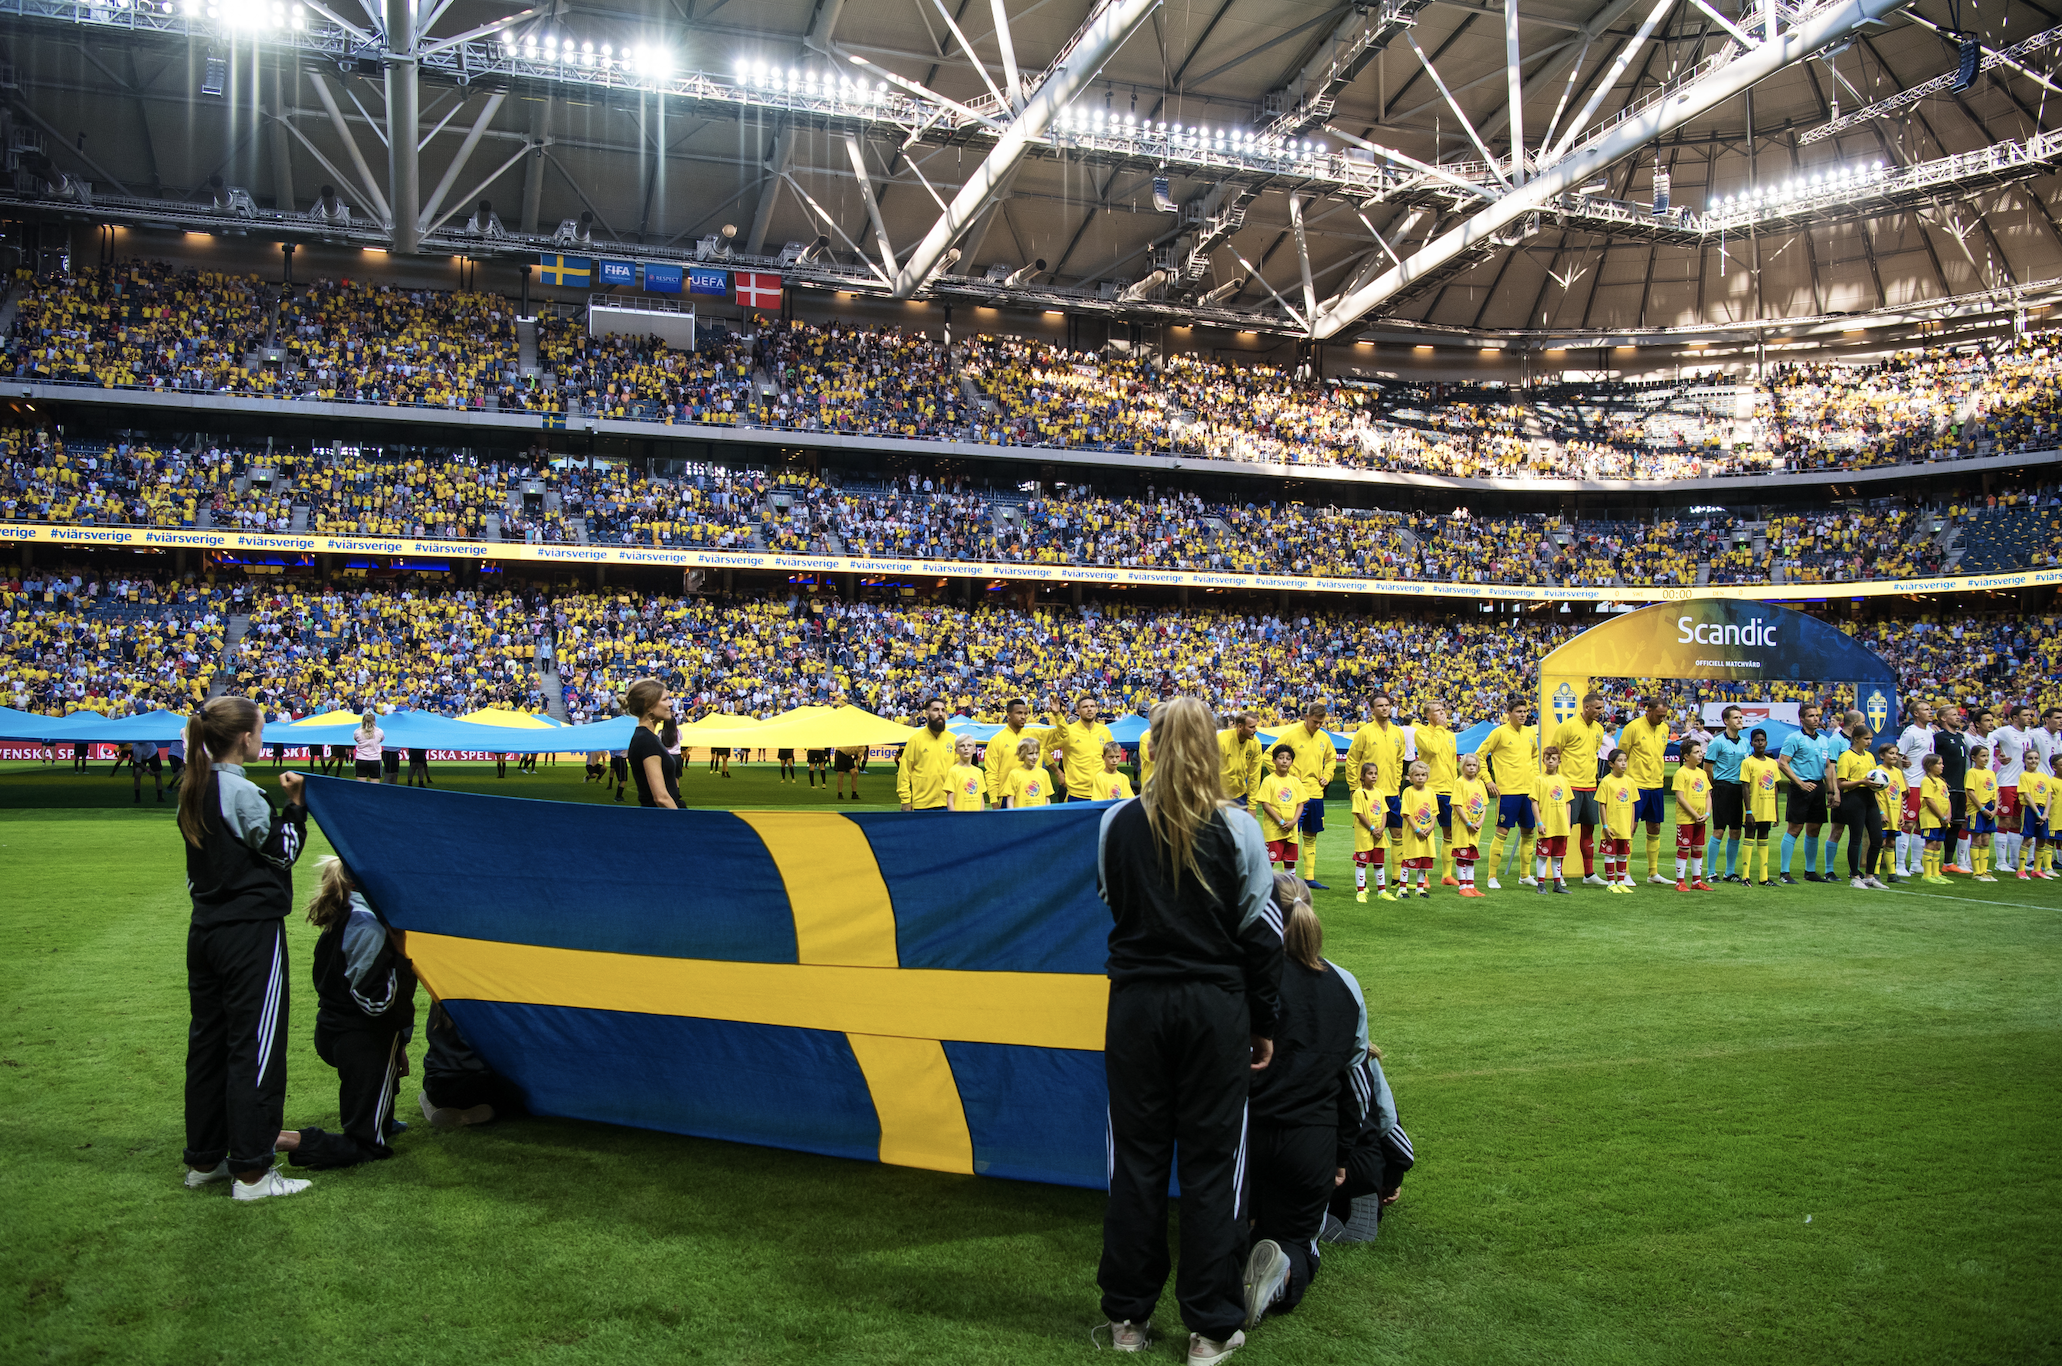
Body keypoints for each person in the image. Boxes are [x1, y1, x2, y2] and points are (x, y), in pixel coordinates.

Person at [1094, 695, 1281, 1364]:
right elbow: (1262, 936)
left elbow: (1113, 901)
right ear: (1213, 748)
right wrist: (1264, 1022)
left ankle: (1128, 1318)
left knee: (1137, 1163)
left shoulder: (1115, 821)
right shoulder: (1239, 828)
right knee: (1211, 1168)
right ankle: (1210, 1329)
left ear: (1149, 746)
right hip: (1213, 1009)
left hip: (1137, 1008)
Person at [177, 696, 312, 1201]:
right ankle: (253, 1173)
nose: (262, 740)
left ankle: (205, 1160)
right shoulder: (242, 791)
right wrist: (296, 807)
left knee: (208, 1046)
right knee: (255, 1047)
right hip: (249, 933)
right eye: (261, 732)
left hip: (205, 930)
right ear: (244, 738)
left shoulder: (192, 786)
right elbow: (283, 853)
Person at [1239, 875, 1367, 1329]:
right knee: (1296, 1237)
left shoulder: (1247, 978)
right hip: (1311, 1137)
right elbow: (1355, 1080)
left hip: (1248, 1129)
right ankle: (1284, 1269)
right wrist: (1340, 1154)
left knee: (1232, 1223)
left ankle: (1244, 1257)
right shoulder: (1344, 986)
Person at [285, 858, 415, 1170]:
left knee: (377, 1117)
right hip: (361, 1040)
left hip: (334, 1031)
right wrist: (401, 957)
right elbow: (376, 1005)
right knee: (368, 1146)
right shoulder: (369, 926)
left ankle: (379, 1117)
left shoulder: (347, 911)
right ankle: (281, 1139)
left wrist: (398, 1042)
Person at [1322, 1045, 1414, 1244]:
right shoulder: (1364, 1057)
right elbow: (1388, 1121)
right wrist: (1393, 1179)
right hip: (1364, 1165)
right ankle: (1364, 1195)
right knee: (1366, 1144)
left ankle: (1312, 1213)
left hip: (1314, 1164)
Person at [419, 1000, 527, 1129]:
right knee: (516, 1093)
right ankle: (487, 1111)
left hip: (436, 1087)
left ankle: (432, 1103)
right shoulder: (483, 1010)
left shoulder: (438, 1008)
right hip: (476, 1087)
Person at [1343, 693, 1406, 888]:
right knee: (1368, 835)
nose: (1384, 708)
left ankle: (1397, 878)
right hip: (1369, 793)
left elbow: (1399, 761)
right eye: (1380, 706)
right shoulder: (1364, 732)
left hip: (1391, 792)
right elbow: (1352, 760)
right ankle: (1364, 880)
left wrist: (1397, 784)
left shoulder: (1398, 733)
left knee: (1397, 833)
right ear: (1372, 710)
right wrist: (1354, 787)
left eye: (1387, 705)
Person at [1476, 696, 1539, 890]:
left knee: (1529, 832)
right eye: (1519, 712)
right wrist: (1488, 780)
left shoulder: (1530, 733)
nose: (1523, 715)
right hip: (1508, 791)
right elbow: (1480, 755)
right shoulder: (1499, 733)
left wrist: (1537, 780)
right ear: (1509, 713)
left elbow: (1535, 757)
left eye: (1525, 711)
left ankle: (1525, 875)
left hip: (1529, 792)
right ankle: (1492, 876)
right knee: (1502, 831)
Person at [1549, 691, 1610, 886]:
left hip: (1590, 786)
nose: (1601, 711)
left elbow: (1593, 753)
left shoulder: (1599, 729)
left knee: (1589, 829)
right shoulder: (1567, 727)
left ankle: (1589, 874)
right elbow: (1553, 753)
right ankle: (1558, 874)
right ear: (1587, 707)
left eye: (1602, 708)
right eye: (1598, 708)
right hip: (1569, 786)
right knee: (1564, 829)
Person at [1618, 697, 1673, 887]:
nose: (1661, 719)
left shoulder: (1664, 728)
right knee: (1630, 828)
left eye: (1664, 716)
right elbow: (1621, 755)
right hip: (1636, 785)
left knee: (1655, 827)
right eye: (1659, 715)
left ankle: (1653, 872)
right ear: (1648, 710)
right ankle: (1624, 872)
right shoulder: (1633, 728)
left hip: (1656, 785)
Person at [1281, 702, 1337, 888]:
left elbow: (1332, 758)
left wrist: (1328, 775)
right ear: (1306, 717)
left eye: (1321, 722)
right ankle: (1288, 877)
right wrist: (1289, 774)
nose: (1318, 725)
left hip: (1316, 794)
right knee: (1292, 836)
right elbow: (1270, 756)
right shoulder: (1291, 735)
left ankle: (1309, 877)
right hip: (1295, 795)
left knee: (1311, 835)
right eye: (1315, 722)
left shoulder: (1324, 737)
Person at [1777, 703, 1833, 884]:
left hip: (1818, 786)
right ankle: (1784, 872)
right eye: (1811, 716)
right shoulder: (1794, 738)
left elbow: (1828, 766)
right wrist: (1799, 783)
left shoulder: (1824, 739)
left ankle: (1810, 871)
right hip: (1800, 787)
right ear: (1801, 719)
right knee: (1795, 828)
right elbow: (1783, 762)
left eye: (1817, 715)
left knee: (1815, 828)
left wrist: (1831, 790)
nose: (1816, 719)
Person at [1826, 725, 1887, 891]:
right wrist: (1861, 782)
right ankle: (1854, 876)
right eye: (1866, 739)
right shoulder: (1846, 756)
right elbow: (1841, 783)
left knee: (1877, 838)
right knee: (1856, 838)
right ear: (1856, 739)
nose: (1869, 742)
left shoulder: (1870, 756)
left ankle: (1870, 876)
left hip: (1870, 797)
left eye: (1871, 739)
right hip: (1854, 798)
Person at [1705, 705, 1753, 883]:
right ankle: (1711, 872)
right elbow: (1708, 768)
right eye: (1736, 718)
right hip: (1723, 787)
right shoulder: (1717, 742)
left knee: (1736, 831)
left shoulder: (1745, 742)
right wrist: (1714, 788)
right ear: (1726, 721)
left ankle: (1730, 872)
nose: (1740, 720)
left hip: (1739, 789)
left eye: (1741, 717)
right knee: (1718, 830)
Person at [1988, 703, 2036, 874]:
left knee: (2017, 822)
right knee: (2005, 821)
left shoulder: (2030, 733)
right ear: (2015, 718)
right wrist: (1997, 756)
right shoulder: (2005, 732)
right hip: (2007, 782)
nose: (2030, 718)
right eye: (2026, 715)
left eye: (2030, 715)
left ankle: (2015, 861)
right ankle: (2000, 862)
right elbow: (1987, 740)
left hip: (2024, 783)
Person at [1044, 694, 1117, 802]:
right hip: (1076, 793)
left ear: (1096, 709)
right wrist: (1058, 772)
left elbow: (1112, 755)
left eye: (1092, 706)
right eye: (1085, 707)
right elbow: (1045, 750)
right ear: (1078, 711)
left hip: (1101, 791)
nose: (1089, 709)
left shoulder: (1104, 731)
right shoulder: (1069, 731)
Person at [624, 679, 680, 809]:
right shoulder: (647, 741)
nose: (670, 703)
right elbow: (661, 798)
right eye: (665, 699)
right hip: (662, 817)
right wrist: (680, 819)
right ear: (649, 706)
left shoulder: (645, 737)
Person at [897, 697, 958, 811]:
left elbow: (960, 772)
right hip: (923, 805)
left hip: (949, 804)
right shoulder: (915, 741)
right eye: (936, 710)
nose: (940, 713)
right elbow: (904, 772)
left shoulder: (953, 740)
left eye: (943, 710)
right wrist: (905, 800)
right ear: (926, 713)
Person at [1740, 730, 1783, 888]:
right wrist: (1748, 811)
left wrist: (1776, 812)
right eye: (1756, 740)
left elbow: (1775, 787)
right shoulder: (1747, 763)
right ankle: (1745, 876)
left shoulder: (1772, 763)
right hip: (1754, 808)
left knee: (1764, 837)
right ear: (1751, 743)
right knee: (1749, 836)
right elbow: (1745, 787)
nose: (1760, 743)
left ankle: (1764, 877)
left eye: (1762, 740)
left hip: (1767, 807)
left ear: (1766, 742)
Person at [1531, 745, 1575, 895]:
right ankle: (1541, 884)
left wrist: (1568, 822)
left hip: (1560, 825)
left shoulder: (1563, 781)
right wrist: (1539, 822)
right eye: (1548, 758)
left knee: (1558, 855)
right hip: (1546, 824)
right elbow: (1534, 802)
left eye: (1554, 759)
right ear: (1543, 760)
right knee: (1543, 855)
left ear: (1559, 762)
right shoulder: (1539, 780)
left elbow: (1568, 803)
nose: (1550, 761)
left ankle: (1557, 884)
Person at [985, 697, 1042, 807]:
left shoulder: (1032, 736)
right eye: (1019, 713)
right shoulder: (997, 740)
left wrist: (1057, 715)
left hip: (1032, 795)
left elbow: (1062, 734)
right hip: (1006, 796)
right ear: (1009, 715)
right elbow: (991, 772)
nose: (1023, 717)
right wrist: (993, 800)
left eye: (1025, 713)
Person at [1671, 739, 1712, 892]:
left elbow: (1708, 795)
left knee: (1697, 847)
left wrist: (1707, 813)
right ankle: (1680, 882)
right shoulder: (1681, 773)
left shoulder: (1702, 773)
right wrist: (1695, 815)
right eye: (1696, 752)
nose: (1700, 754)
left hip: (1701, 818)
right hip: (1686, 819)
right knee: (1684, 847)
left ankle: (1697, 881)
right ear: (1686, 756)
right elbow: (1680, 798)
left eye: (1700, 751)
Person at [1258, 745, 1304, 873]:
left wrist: (1293, 822)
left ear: (1292, 762)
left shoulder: (1295, 782)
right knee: (1269, 862)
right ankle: (1264, 885)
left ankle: (1289, 886)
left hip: (1292, 831)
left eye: (1288, 759)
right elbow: (1265, 805)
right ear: (1273, 760)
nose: (1284, 761)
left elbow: (1300, 804)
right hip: (1274, 831)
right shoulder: (1268, 780)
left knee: (1290, 862)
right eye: (1281, 758)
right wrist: (1281, 822)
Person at [1396, 761, 1439, 899]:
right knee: (1409, 858)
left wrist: (1431, 827)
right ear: (1410, 777)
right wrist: (1416, 829)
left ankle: (1420, 888)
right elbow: (1406, 813)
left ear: (1427, 776)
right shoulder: (1408, 792)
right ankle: (1402, 888)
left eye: (1423, 775)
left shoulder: (1430, 792)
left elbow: (1434, 811)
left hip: (1427, 833)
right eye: (1417, 775)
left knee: (1424, 860)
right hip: (1413, 833)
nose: (1420, 777)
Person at [1450, 753, 1489, 898]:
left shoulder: (1480, 783)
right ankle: (1463, 886)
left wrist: (1480, 821)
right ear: (1462, 767)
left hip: (1475, 826)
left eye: (1474, 765)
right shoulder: (1459, 783)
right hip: (1463, 826)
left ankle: (1471, 885)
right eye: (1468, 765)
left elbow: (1484, 804)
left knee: (1471, 856)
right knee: (1462, 854)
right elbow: (1457, 805)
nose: (1471, 768)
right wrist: (1467, 822)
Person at [1600, 749, 1638, 893]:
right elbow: (1602, 804)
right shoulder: (1606, 781)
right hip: (1612, 826)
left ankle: (1621, 882)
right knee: (1610, 854)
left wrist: (1631, 824)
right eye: (1620, 761)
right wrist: (1605, 826)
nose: (1623, 764)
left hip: (1624, 826)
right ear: (1611, 764)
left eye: (1625, 761)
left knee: (1623, 854)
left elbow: (1632, 804)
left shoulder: (1630, 782)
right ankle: (1611, 883)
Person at [2019, 751, 2056, 880]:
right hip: (2030, 809)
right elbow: (2027, 795)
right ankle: (2021, 870)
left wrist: (2045, 813)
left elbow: (2049, 795)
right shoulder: (2024, 776)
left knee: (2042, 839)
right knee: (2028, 839)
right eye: (2030, 758)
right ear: (2024, 760)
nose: (2033, 761)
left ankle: (2037, 869)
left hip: (2043, 810)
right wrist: (2038, 813)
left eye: (2036, 758)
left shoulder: (2044, 777)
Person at [1964, 745, 1999, 882]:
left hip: (1990, 807)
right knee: (1977, 840)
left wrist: (1995, 808)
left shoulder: (1991, 773)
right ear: (1974, 758)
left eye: (1987, 756)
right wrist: (1982, 808)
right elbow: (1970, 792)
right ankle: (1977, 872)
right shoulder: (1972, 772)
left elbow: (1995, 791)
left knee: (1986, 840)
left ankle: (1984, 871)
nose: (1986, 759)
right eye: (1982, 756)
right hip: (1977, 809)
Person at [1217, 710, 1264, 809]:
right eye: (1251, 727)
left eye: (1255, 726)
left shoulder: (1255, 744)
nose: (1255, 730)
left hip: (1240, 796)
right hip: (1219, 796)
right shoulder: (1221, 740)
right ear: (1240, 727)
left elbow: (1254, 776)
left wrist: (1252, 805)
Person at [1874, 743, 1907, 884]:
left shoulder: (1898, 772)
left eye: (1896, 754)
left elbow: (1899, 794)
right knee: (1880, 842)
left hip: (1895, 813)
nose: (1894, 756)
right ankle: (1875, 873)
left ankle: (1892, 874)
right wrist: (1880, 812)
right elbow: (1875, 794)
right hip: (1884, 812)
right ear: (1882, 756)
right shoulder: (1877, 771)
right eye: (1891, 753)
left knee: (1892, 842)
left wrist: (1901, 814)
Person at [1350, 761, 1382, 903]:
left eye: (1375, 773)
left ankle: (1382, 891)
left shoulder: (1380, 792)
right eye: (1370, 773)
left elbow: (1384, 811)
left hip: (1379, 834)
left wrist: (1381, 828)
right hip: (1365, 834)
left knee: (1379, 863)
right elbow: (1359, 813)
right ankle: (1361, 891)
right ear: (1362, 776)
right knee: (1362, 862)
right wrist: (1372, 829)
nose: (1373, 776)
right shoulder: (1358, 793)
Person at [1916, 753, 1951, 883]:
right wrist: (1942, 816)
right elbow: (1929, 801)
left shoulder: (1941, 781)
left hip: (1942, 819)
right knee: (1930, 844)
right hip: (1931, 818)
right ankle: (1927, 874)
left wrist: (1948, 815)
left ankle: (1936, 873)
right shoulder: (1927, 781)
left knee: (1938, 845)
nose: (1942, 766)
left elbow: (1947, 799)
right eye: (1939, 763)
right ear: (1930, 766)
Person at [1000, 738, 1051, 809]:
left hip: (1040, 814)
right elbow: (1010, 801)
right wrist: (1013, 815)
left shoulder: (1044, 773)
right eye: (1030, 753)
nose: (1034, 757)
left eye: (1037, 753)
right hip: (1021, 815)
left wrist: (1047, 813)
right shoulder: (1014, 774)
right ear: (1022, 754)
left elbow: (1047, 799)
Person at [945, 736, 986, 811]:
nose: (966, 748)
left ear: (974, 750)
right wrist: (954, 816)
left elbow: (981, 798)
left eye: (969, 745)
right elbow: (950, 800)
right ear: (956, 750)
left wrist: (981, 815)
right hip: (960, 816)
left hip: (976, 816)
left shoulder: (979, 772)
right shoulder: (953, 771)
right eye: (962, 746)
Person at [352, 711, 384, 784]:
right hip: (374, 759)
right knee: (375, 786)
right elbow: (381, 739)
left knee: (361, 786)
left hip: (361, 759)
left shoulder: (357, 732)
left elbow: (356, 739)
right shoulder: (379, 731)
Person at [133, 739, 165, 804]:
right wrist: (148, 770)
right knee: (137, 773)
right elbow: (138, 762)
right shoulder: (136, 748)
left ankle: (160, 797)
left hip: (152, 753)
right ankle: (137, 798)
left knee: (158, 774)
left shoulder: (149, 742)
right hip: (142, 758)